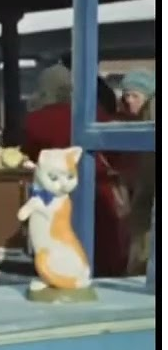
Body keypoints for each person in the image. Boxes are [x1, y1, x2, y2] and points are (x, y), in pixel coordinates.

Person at [21, 63, 131, 276]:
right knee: (103, 248)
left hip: (55, 193)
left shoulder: (35, 120)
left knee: (60, 245)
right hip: (97, 187)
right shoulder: (93, 113)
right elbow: (115, 151)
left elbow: (32, 155)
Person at [117, 69, 156, 274]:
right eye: (126, 96)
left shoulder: (152, 113)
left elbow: (150, 165)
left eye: (135, 96)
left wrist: (140, 197)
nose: (129, 101)